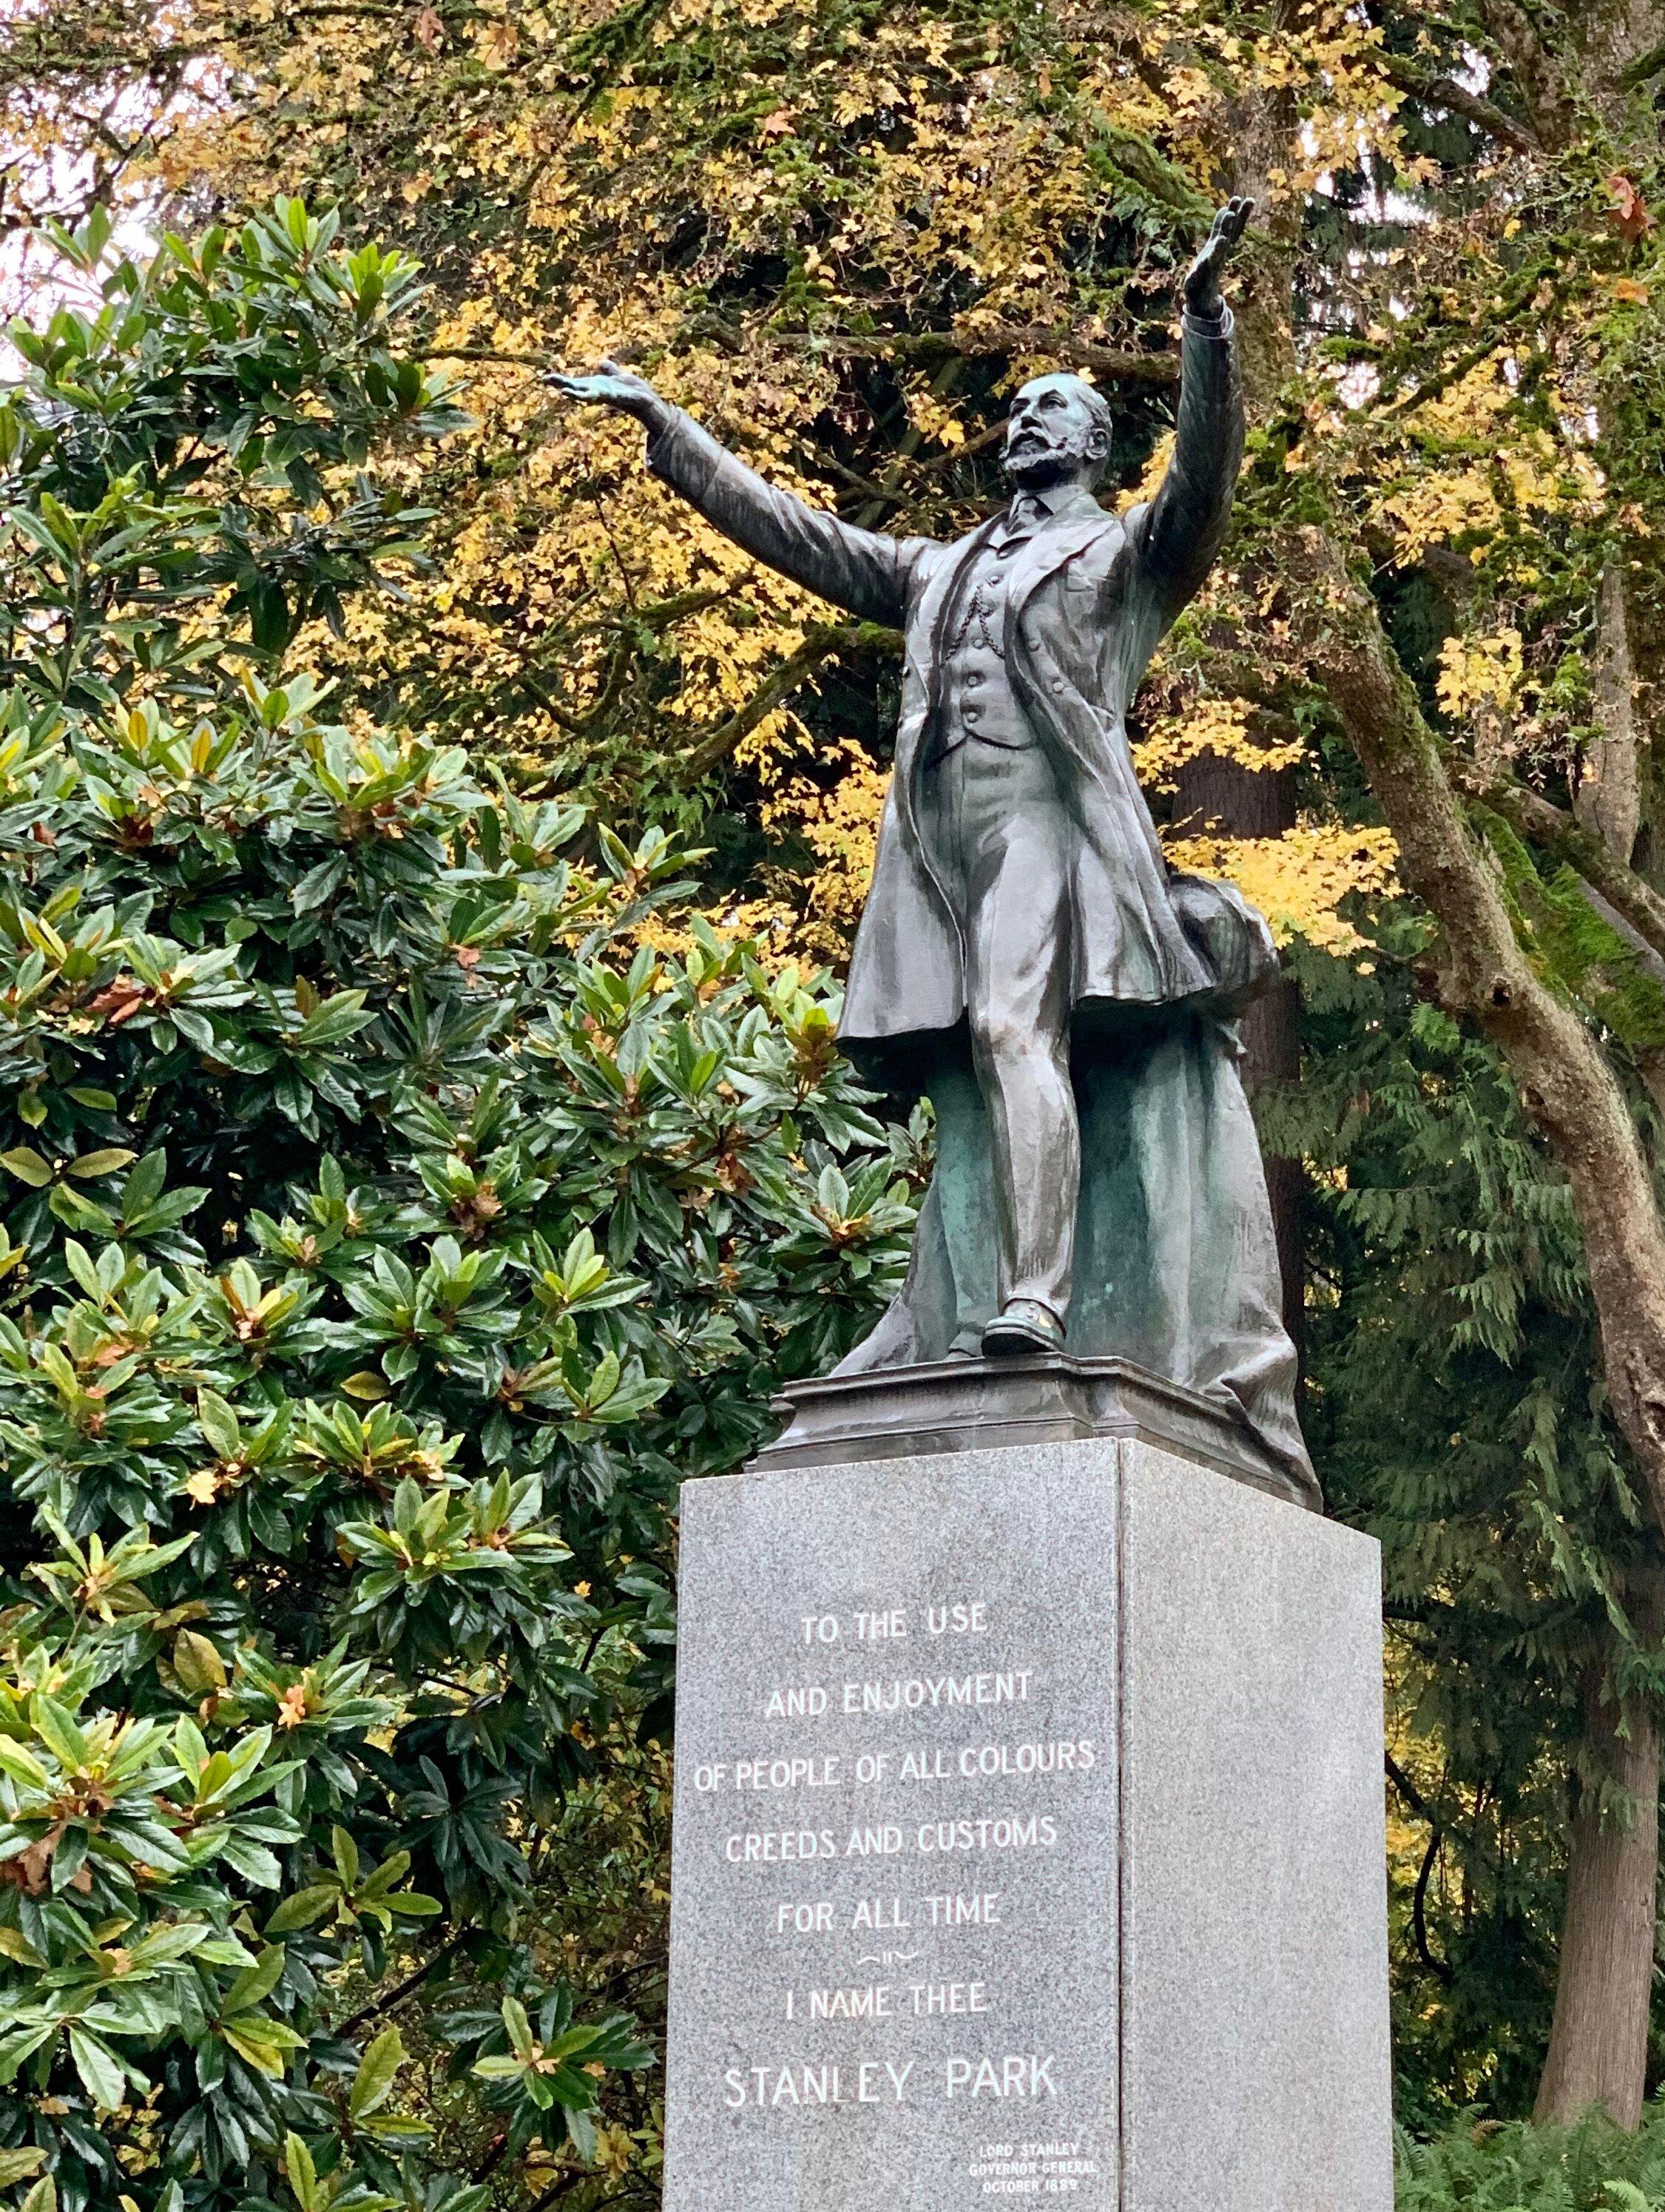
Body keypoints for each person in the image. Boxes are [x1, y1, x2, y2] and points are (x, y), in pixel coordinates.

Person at [550, 199, 1313, 1494]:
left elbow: (1205, 481)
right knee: (972, 1064)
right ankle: (956, 1306)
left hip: (1049, 834)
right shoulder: (938, 564)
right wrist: (668, 431)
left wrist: (1204, 328)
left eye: (1055, 410)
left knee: (1017, 1034)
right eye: (1018, 408)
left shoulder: (1119, 558)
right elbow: (801, 535)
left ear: (1093, 444)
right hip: (940, 850)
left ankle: (1035, 1304)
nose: (1025, 422)